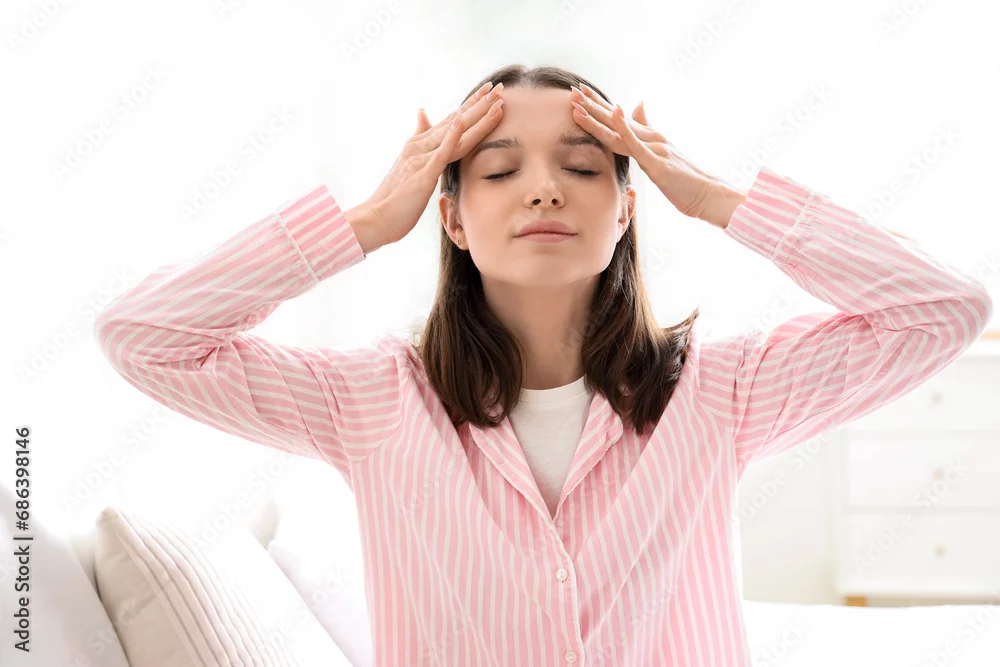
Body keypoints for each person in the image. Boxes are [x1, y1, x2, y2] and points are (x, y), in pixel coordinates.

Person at [93, 63, 993, 666]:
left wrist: (718, 199)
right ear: (451, 217)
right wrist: (365, 221)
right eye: (497, 171)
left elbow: (944, 309)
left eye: (583, 166)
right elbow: (144, 336)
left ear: (627, 209)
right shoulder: (372, 401)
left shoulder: (717, 391)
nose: (544, 188)